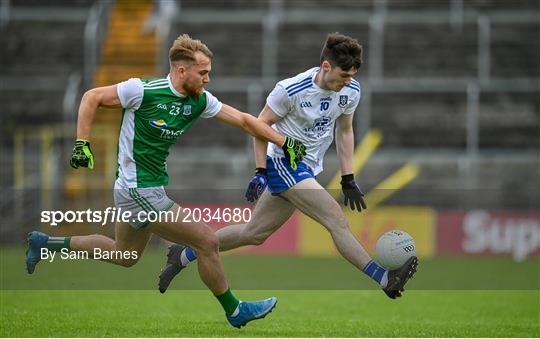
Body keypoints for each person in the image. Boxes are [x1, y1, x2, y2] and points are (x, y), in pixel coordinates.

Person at [25, 34, 306, 328]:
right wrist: (82, 144)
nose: (208, 79)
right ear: (181, 70)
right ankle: (235, 310)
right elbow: (91, 97)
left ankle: (46, 244)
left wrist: (282, 141)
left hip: (145, 188)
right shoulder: (142, 90)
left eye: (209, 72)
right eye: (203, 73)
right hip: (137, 189)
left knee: (125, 255)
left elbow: (246, 121)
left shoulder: (198, 101)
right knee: (207, 241)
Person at [158, 33, 418, 299]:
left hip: (307, 169)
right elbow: (260, 127)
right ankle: (385, 278)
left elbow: (345, 131)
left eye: (352, 75)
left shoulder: (351, 91)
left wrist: (348, 177)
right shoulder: (290, 90)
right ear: (326, 66)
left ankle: (184, 253)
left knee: (254, 233)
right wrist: (260, 170)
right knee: (335, 219)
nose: (348, 81)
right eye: (344, 75)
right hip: (284, 163)